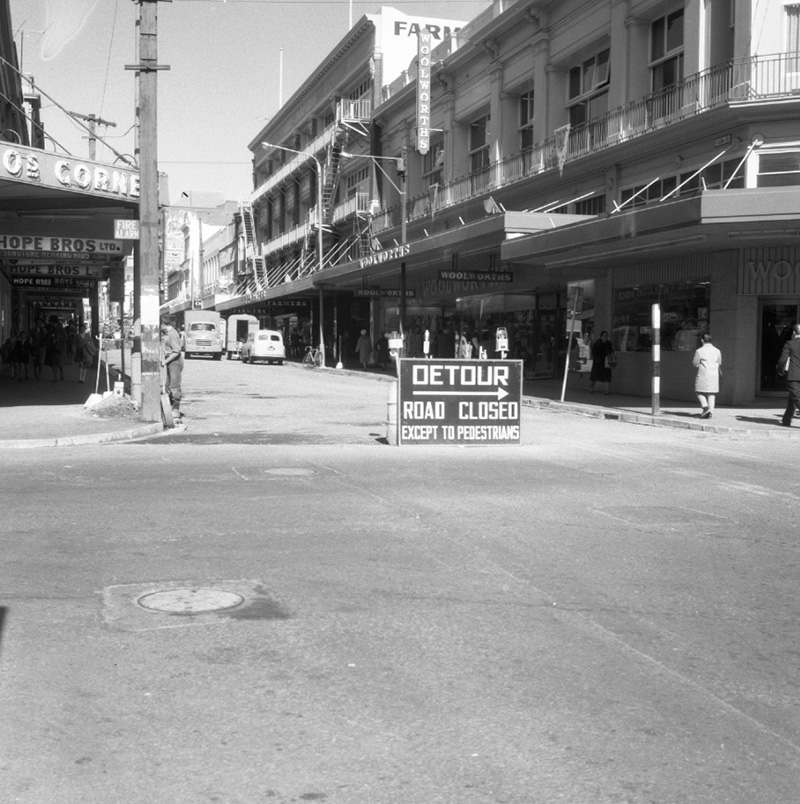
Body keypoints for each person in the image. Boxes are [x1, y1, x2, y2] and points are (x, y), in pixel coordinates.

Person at [692, 332, 722, 418]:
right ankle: (710, 413)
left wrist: (699, 365)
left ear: (702, 340)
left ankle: (705, 407)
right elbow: (719, 363)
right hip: (714, 375)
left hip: (703, 374)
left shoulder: (699, 351)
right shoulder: (717, 351)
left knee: (698, 391)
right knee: (711, 394)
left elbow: (695, 363)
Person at [160, 314, 184, 419]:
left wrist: (165, 361)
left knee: (174, 386)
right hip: (170, 360)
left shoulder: (173, 334)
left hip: (174, 361)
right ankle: (168, 408)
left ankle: (175, 409)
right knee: (167, 385)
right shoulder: (167, 333)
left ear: (163, 324)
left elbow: (176, 351)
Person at [777, 323, 800, 427]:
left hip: (794, 375)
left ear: (794, 333)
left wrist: (780, 371)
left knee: (796, 397)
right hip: (795, 375)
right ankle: (786, 420)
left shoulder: (790, 343)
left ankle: (786, 420)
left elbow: (783, 360)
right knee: (792, 397)